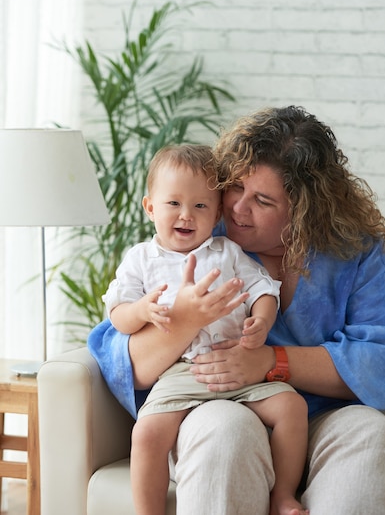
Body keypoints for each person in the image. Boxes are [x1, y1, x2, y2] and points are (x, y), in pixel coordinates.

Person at [88, 106, 385, 515]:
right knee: (226, 431)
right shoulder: (200, 230)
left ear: (305, 208)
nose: (238, 208)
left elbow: (382, 361)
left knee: (373, 436)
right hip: (213, 405)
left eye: (262, 200)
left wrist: (269, 361)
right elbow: (124, 359)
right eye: (235, 188)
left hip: (322, 417)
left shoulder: (353, 251)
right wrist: (186, 320)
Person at [103, 144, 309, 515]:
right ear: (150, 207)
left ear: (215, 213)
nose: (186, 215)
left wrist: (261, 321)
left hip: (240, 365)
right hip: (184, 370)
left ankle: (282, 495)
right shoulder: (141, 259)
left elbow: (264, 289)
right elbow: (117, 314)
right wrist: (142, 310)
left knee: (292, 407)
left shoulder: (227, 252)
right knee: (147, 434)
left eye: (200, 206)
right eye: (173, 204)